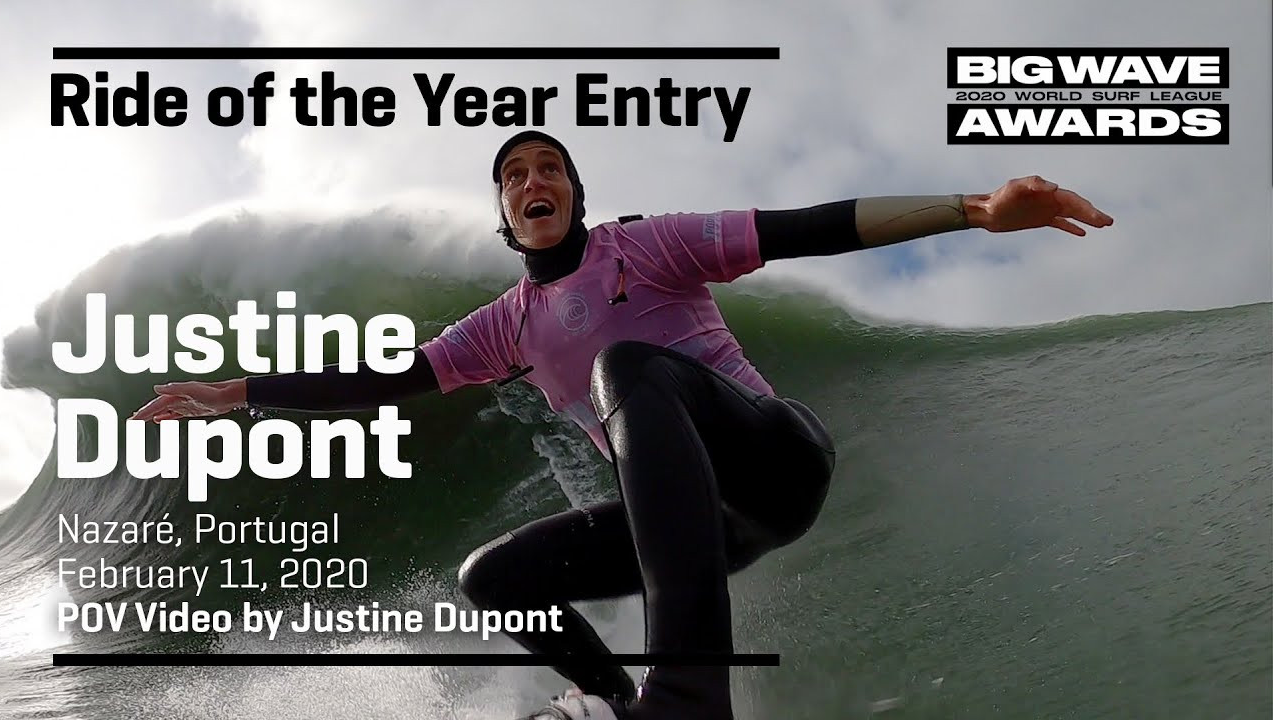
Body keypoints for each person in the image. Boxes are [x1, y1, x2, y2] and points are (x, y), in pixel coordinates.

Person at [132, 131, 1113, 720]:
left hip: (775, 458)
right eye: (514, 174)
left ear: (571, 194)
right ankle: (617, 702)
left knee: (626, 367)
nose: (532, 179)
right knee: (493, 579)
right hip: (711, 527)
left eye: (549, 167)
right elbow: (388, 379)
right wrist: (237, 394)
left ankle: (690, 696)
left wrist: (974, 208)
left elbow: (802, 226)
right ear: (506, 213)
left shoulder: (644, 247)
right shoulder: (505, 325)